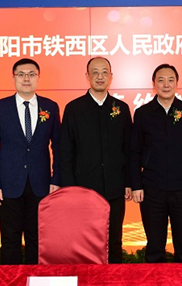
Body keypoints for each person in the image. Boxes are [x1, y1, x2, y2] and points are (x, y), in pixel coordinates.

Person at [0, 58, 61, 265]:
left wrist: (56, 179)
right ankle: (12, 279)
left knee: (37, 239)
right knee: (10, 240)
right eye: (21, 74)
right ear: (14, 77)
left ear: (38, 77)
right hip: (7, 186)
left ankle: (35, 278)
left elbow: (59, 147)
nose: (26, 78)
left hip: (41, 184)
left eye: (31, 74)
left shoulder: (50, 107)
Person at [59, 57, 132, 264]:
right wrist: (69, 187)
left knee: (114, 240)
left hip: (115, 186)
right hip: (83, 188)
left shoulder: (121, 108)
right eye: (95, 72)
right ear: (87, 76)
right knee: (84, 240)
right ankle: (87, 278)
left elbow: (129, 149)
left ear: (111, 76)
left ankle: (114, 277)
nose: (100, 76)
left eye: (104, 72)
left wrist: (128, 182)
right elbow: (65, 151)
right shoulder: (74, 108)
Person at [129, 64, 182, 263]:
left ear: (177, 83)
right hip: (152, 188)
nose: (166, 84)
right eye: (161, 80)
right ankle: (155, 278)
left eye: (171, 80)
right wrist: (136, 185)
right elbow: (134, 151)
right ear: (154, 84)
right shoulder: (143, 113)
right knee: (154, 246)